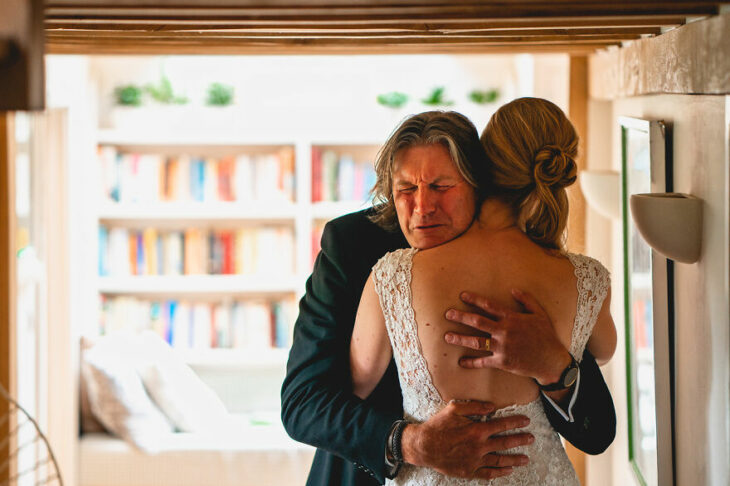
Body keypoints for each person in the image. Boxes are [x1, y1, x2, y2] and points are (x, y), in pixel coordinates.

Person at [281, 109, 616, 486]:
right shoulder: (354, 246)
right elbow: (303, 403)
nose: (422, 207)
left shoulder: (532, 266)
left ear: (479, 184)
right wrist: (410, 443)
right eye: (406, 189)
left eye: (442, 187)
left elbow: (597, 430)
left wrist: (555, 366)